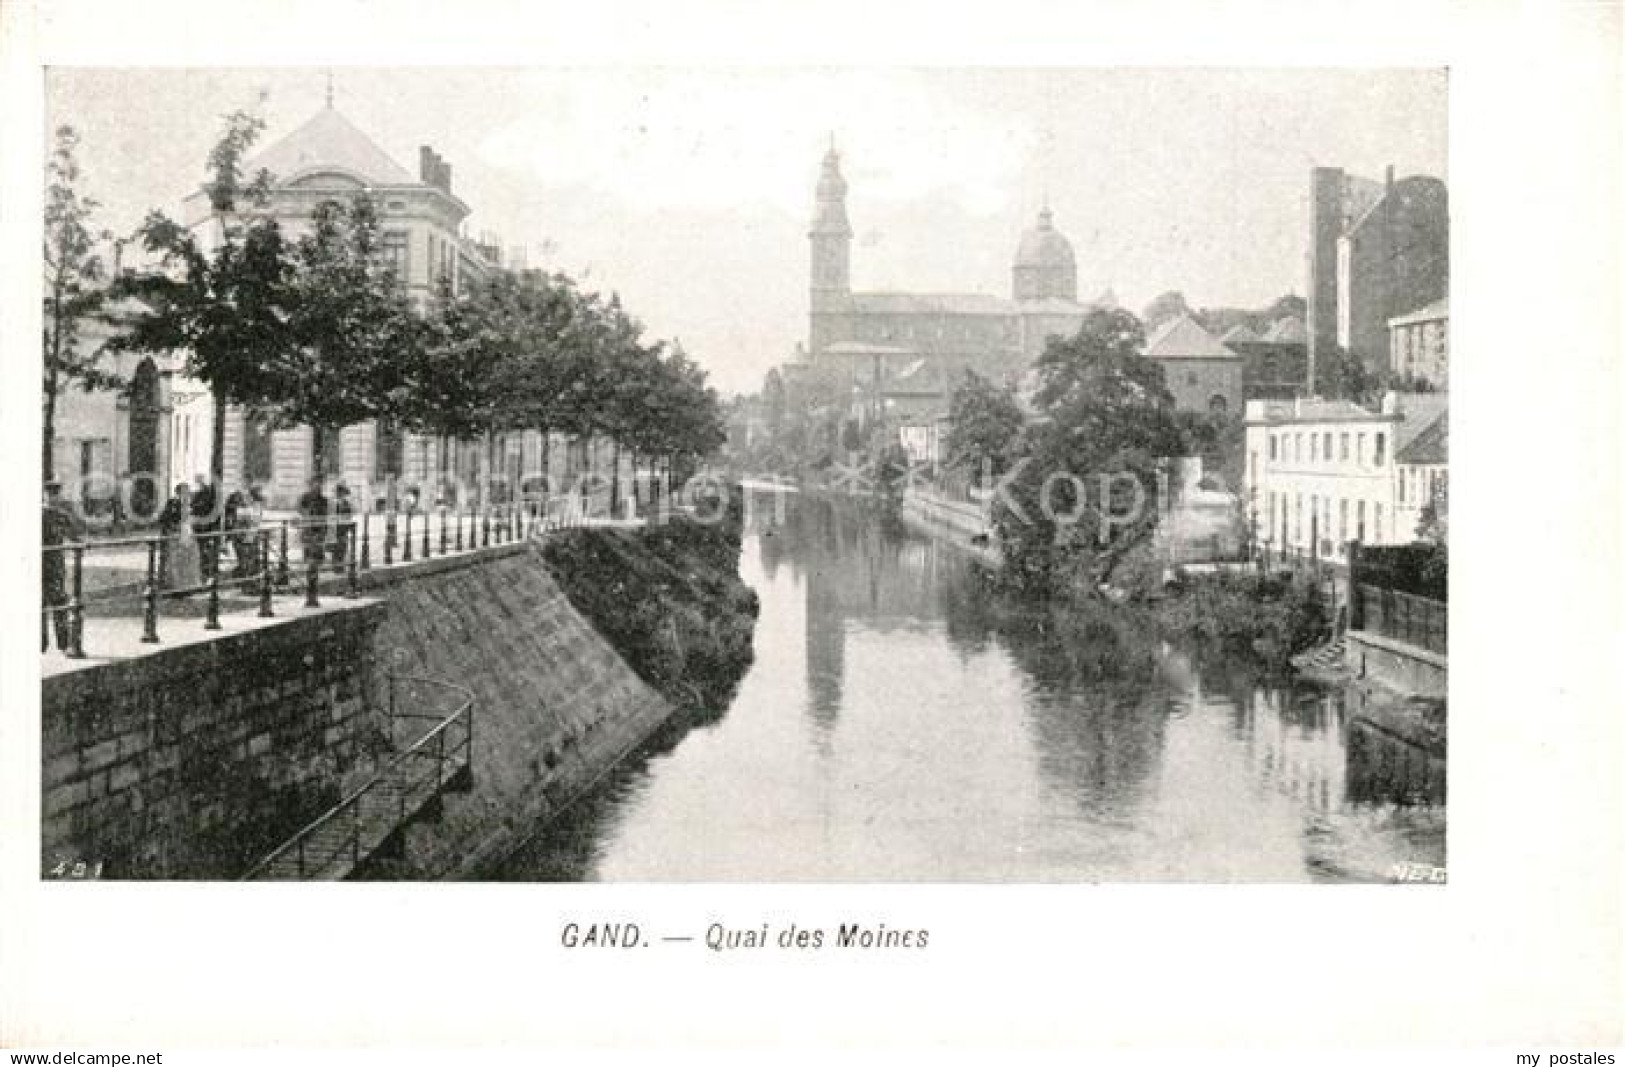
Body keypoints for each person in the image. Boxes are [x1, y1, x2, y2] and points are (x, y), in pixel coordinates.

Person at [41, 482, 86, 653]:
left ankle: (49, 644)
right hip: (52, 564)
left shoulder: (60, 515)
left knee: (52, 603)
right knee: (56, 603)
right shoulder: (58, 515)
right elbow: (76, 537)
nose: (53, 498)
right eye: (51, 494)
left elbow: (75, 536)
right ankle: (61, 644)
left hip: (52, 565)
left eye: (55, 494)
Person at [166, 483, 202, 590]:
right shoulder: (173, 502)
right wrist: (176, 525)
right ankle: (179, 586)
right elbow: (166, 518)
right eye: (185, 492)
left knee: (190, 558)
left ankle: (191, 584)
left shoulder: (189, 503)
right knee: (178, 560)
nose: (187, 495)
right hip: (178, 533)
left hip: (188, 532)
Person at [191, 474, 220, 581]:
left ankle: (207, 574)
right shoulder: (199, 494)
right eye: (198, 482)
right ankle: (206, 574)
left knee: (206, 552)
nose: (199, 484)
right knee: (203, 551)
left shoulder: (209, 495)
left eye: (200, 482)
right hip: (201, 527)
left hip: (207, 528)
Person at [297, 477, 329, 567]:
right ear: (311, 486)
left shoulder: (323, 499)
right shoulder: (305, 497)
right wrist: (307, 513)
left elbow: (326, 512)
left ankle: (318, 564)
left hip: (319, 527)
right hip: (308, 526)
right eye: (315, 485)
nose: (317, 487)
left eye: (319, 486)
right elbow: (299, 508)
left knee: (318, 546)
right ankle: (308, 564)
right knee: (308, 546)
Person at [332, 483, 355, 564]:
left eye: (343, 493)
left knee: (343, 547)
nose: (342, 495)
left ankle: (340, 565)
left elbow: (350, 514)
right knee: (336, 549)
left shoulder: (346, 503)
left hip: (343, 529)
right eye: (341, 493)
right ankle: (336, 566)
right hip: (335, 529)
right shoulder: (333, 503)